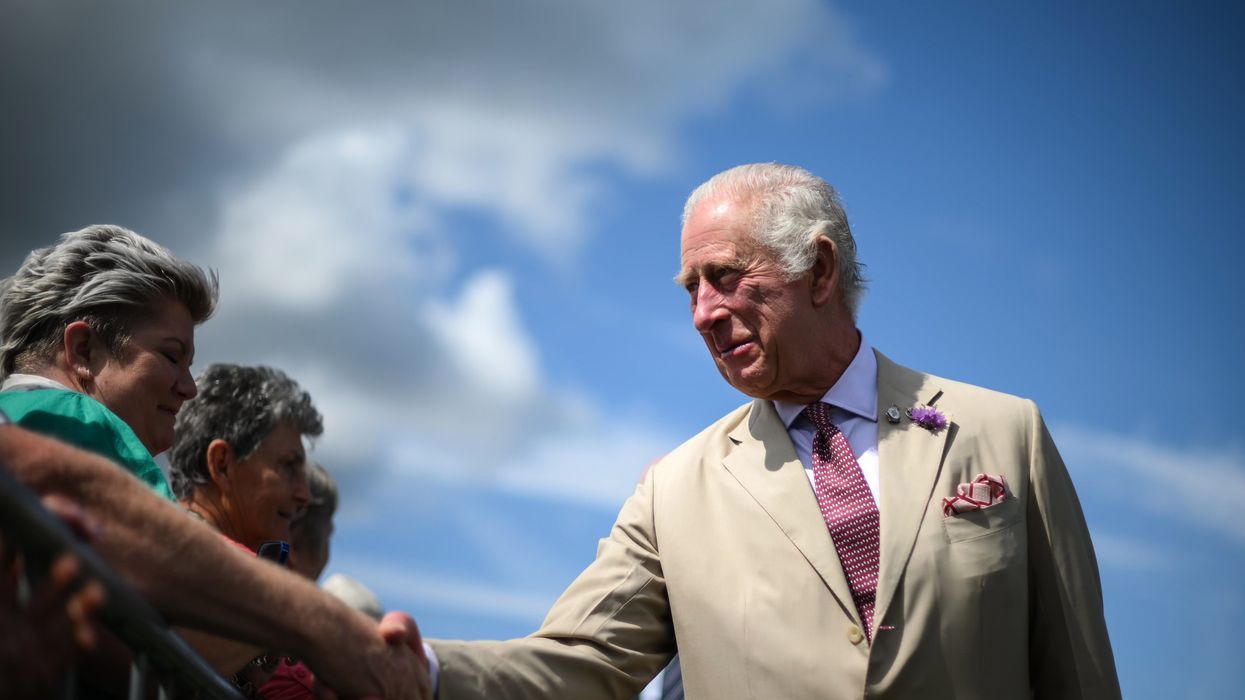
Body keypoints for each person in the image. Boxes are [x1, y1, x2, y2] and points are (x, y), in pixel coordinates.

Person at [428, 163, 1120, 699]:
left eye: (725, 277)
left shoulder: (1003, 432)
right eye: (689, 288)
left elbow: (1080, 678)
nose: (702, 312)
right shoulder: (672, 492)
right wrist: (418, 670)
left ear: (818, 270)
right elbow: (581, 663)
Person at [0, 226, 431, 698]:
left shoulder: (18, 413)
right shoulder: (78, 418)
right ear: (83, 351)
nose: (190, 386)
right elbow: (155, 610)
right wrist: (315, 631)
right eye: (171, 355)